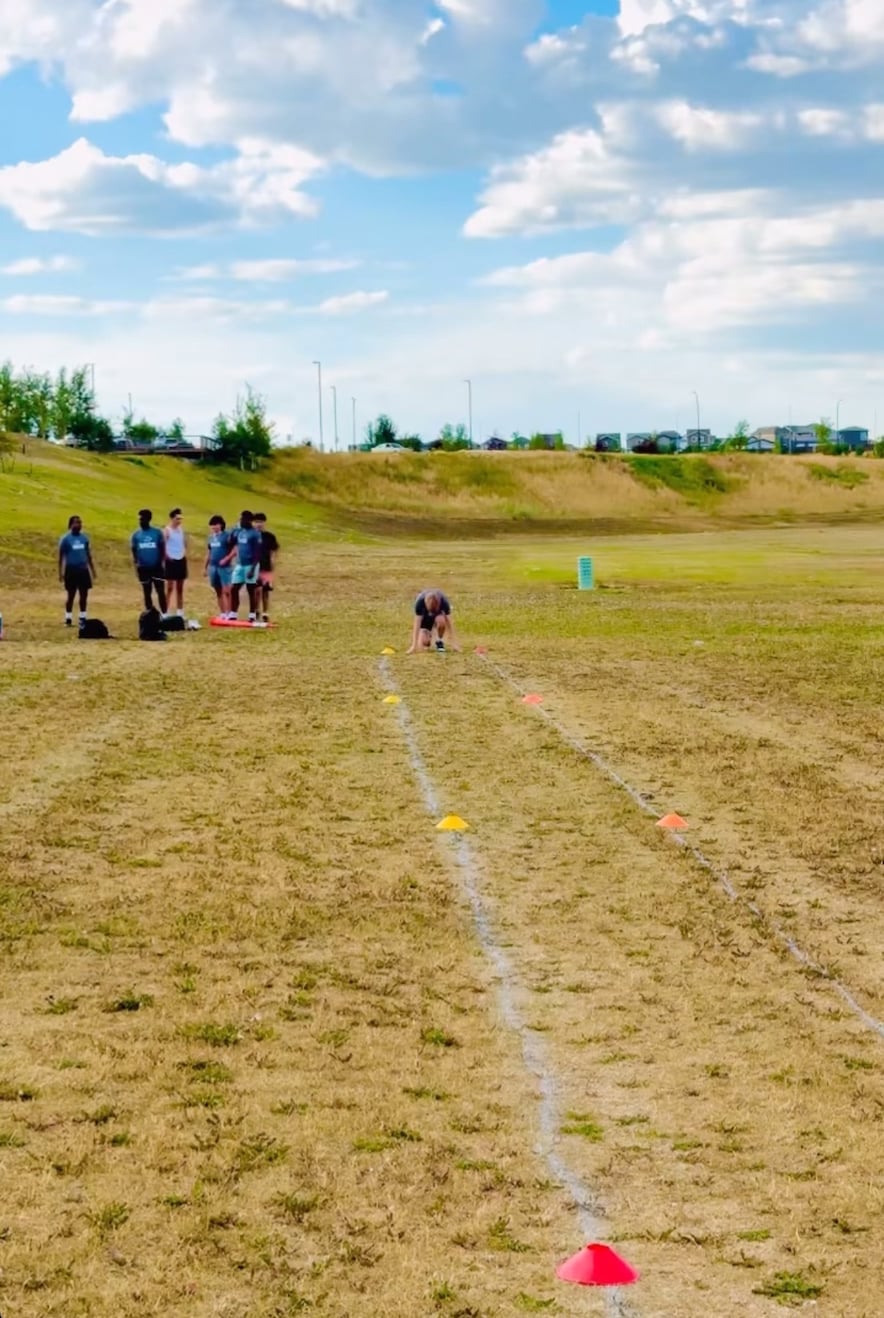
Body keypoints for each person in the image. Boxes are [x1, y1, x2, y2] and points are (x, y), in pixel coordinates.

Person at [223, 510, 263, 624]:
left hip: (251, 564)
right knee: (234, 588)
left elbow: (258, 553)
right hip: (240, 564)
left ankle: (252, 614)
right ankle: (233, 613)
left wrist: (252, 568)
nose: (240, 521)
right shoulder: (239, 531)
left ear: (248, 520)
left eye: (242, 519)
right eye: (239, 519)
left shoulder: (255, 533)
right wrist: (233, 531)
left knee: (251, 589)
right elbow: (229, 542)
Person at [58, 515, 96, 628]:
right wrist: (60, 572)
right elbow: (61, 557)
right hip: (71, 570)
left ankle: (82, 617)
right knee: (71, 595)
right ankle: (68, 617)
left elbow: (88, 555)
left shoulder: (84, 538)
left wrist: (92, 570)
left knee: (84, 595)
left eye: (80, 523)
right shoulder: (65, 539)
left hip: (83, 570)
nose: (78, 525)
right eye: (76, 523)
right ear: (70, 525)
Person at [131, 509, 167, 613]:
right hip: (143, 568)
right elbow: (134, 551)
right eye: (139, 520)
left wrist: (161, 563)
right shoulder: (136, 535)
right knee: (147, 592)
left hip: (157, 567)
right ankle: (150, 615)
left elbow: (162, 548)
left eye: (142, 519)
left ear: (149, 519)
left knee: (160, 591)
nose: (140, 522)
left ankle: (164, 614)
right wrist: (137, 564)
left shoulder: (157, 533)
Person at [407, 588, 460, 653]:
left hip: (437, 618)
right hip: (425, 621)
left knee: (441, 622)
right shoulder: (420, 602)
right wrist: (414, 646)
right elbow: (417, 624)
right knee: (425, 642)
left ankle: (439, 641)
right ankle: (429, 634)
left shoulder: (444, 601)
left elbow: (450, 623)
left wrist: (454, 643)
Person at [253, 513, 279, 625]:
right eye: (256, 522)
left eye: (261, 522)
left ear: (264, 523)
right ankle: (256, 610)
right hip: (254, 566)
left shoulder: (269, 536)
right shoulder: (251, 536)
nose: (259, 524)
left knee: (266, 590)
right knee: (256, 590)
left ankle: (265, 612)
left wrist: (273, 561)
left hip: (266, 566)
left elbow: (274, 550)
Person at [205, 515, 233, 618]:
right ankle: (222, 612)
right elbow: (209, 552)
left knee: (227, 590)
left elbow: (234, 549)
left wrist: (227, 559)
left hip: (224, 567)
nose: (214, 527)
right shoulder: (211, 538)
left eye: (216, 525)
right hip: (213, 567)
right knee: (218, 590)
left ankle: (229, 612)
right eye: (212, 525)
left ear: (221, 525)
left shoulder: (227, 536)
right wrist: (205, 567)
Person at [163, 508, 188, 617]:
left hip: (180, 559)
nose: (179, 521)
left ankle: (180, 611)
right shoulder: (167, 530)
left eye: (180, 519)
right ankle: (165, 611)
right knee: (169, 587)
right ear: (172, 518)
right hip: (171, 560)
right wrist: (166, 556)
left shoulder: (181, 530)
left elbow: (183, 543)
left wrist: (183, 552)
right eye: (177, 519)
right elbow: (163, 545)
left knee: (180, 588)